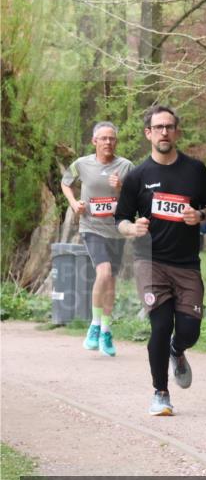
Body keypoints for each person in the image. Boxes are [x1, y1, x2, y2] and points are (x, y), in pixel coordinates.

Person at [116, 104, 206, 416]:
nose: (164, 132)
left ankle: (178, 349)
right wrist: (132, 228)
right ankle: (160, 392)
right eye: (158, 127)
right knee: (160, 326)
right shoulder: (137, 176)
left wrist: (199, 215)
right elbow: (120, 219)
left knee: (189, 331)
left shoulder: (195, 170)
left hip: (187, 264)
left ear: (176, 132)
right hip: (150, 262)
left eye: (169, 127)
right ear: (149, 133)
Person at [60, 121, 134, 357]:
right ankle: (94, 325)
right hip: (91, 228)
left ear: (116, 141)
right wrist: (74, 204)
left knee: (111, 281)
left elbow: (136, 197)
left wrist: (121, 188)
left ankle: (106, 330)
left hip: (116, 231)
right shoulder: (81, 164)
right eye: (103, 138)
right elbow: (65, 182)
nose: (108, 142)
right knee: (103, 272)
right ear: (94, 141)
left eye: (112, 138)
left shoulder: (126, 166)